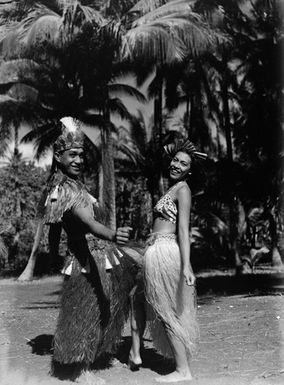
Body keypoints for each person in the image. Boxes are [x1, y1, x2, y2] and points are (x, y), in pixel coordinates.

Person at [37, 117, 138, 375]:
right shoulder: (68, 190)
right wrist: (114, 234)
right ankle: (78, 368)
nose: (79, 160)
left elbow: (54, 226)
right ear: (58, 157)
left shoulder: (61, 187)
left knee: (109, 305)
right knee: (86, 311)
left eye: (81, 155)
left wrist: (52, 254)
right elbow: (90, 223)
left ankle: (96, 355)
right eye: (73, 155)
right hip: (86, 258)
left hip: (97, 255)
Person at [128, 138, 207, 383]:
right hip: (156, 248)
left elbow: (183, 229)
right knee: (137, 297)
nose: (177, 165)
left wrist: (186, 265)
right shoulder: (171, 189)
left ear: (189, 170)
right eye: (175, 160)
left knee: (167, 311)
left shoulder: (183, 190)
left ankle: (183, 370)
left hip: (166, 251)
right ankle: (135, 351)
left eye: (183, 163)